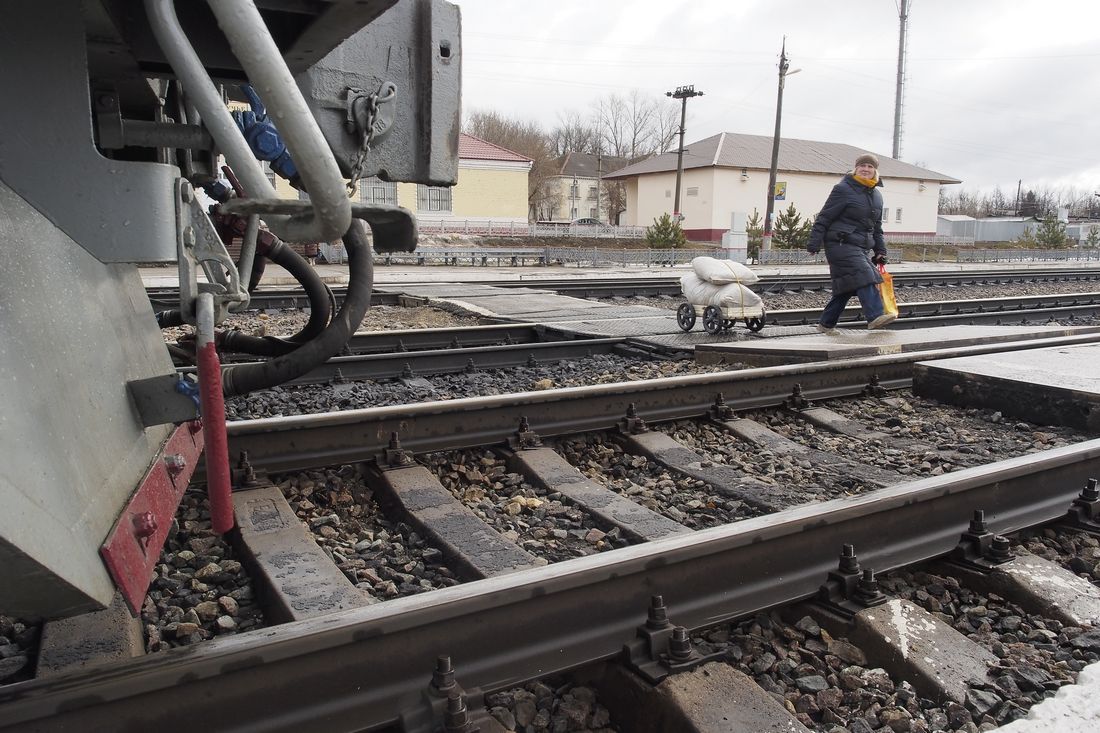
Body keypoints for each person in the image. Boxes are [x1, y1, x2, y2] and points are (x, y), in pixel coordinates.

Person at [807, 153, 895, 331]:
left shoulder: (877, 195)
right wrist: (814, 242)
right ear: (856, 168)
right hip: (840, 243)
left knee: (847, 286)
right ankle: (876, 316)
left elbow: (876, 227)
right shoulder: (843, 189)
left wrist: (881, 250)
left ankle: (826, 324)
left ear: (875, 171)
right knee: (864, 275)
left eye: (870, 167)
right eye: (862, 166)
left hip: (860, 246)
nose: (866, 169)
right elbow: (824, 216)